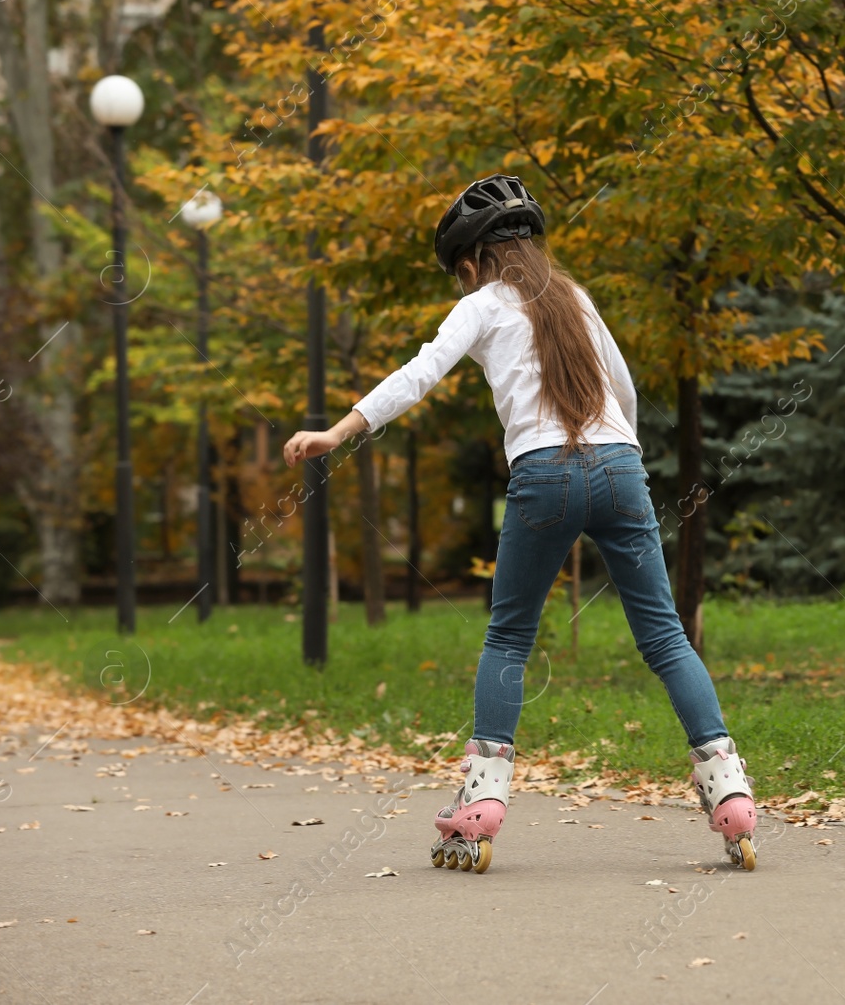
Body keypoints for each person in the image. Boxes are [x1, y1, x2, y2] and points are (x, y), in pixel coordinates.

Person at [281, 174, 758, 873]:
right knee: (663, 636)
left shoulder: (482, 305)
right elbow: (622, 388)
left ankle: (479, 806)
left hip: (543, 474)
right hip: (621, 464)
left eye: (457, 272)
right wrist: (622, 462)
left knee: (509, 637)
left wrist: (337, 429)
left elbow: (420, 373)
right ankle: (731, 796)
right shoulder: (576, 298)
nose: (458, 283)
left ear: (472, 260)